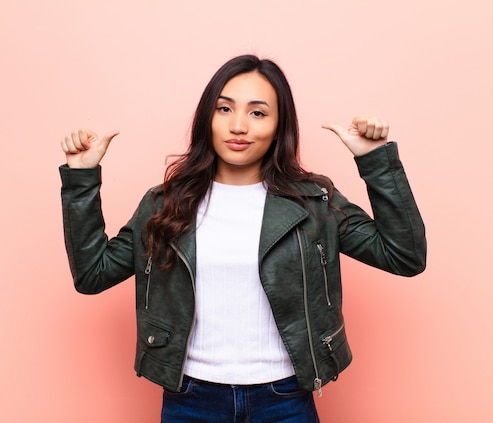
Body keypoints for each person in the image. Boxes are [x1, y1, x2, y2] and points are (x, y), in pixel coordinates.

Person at [59, 54, 426, 423]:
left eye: (258, 113)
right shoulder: (165, 204)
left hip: (285, 398)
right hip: (190, 398)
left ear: (279, 126)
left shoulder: (314, 201)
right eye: (224, 109)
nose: (238, 126)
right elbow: (93, 275)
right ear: (208, 119)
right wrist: (81, 178)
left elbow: (404, 256)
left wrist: (377, 161)